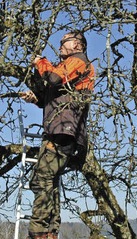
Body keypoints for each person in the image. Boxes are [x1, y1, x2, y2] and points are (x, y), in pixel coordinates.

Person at [19, 30, 95, 239]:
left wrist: (40, 61)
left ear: (78, 45)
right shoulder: (67, 68)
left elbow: (52, 79)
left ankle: (40, 232)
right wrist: (35, 99)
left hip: (65, 130)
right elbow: (51, 98)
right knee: (49, 180)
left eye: (65, 41)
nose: (60, 44)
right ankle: (50, 231)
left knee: (42, 178)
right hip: (58, 130)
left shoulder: (78, 62)